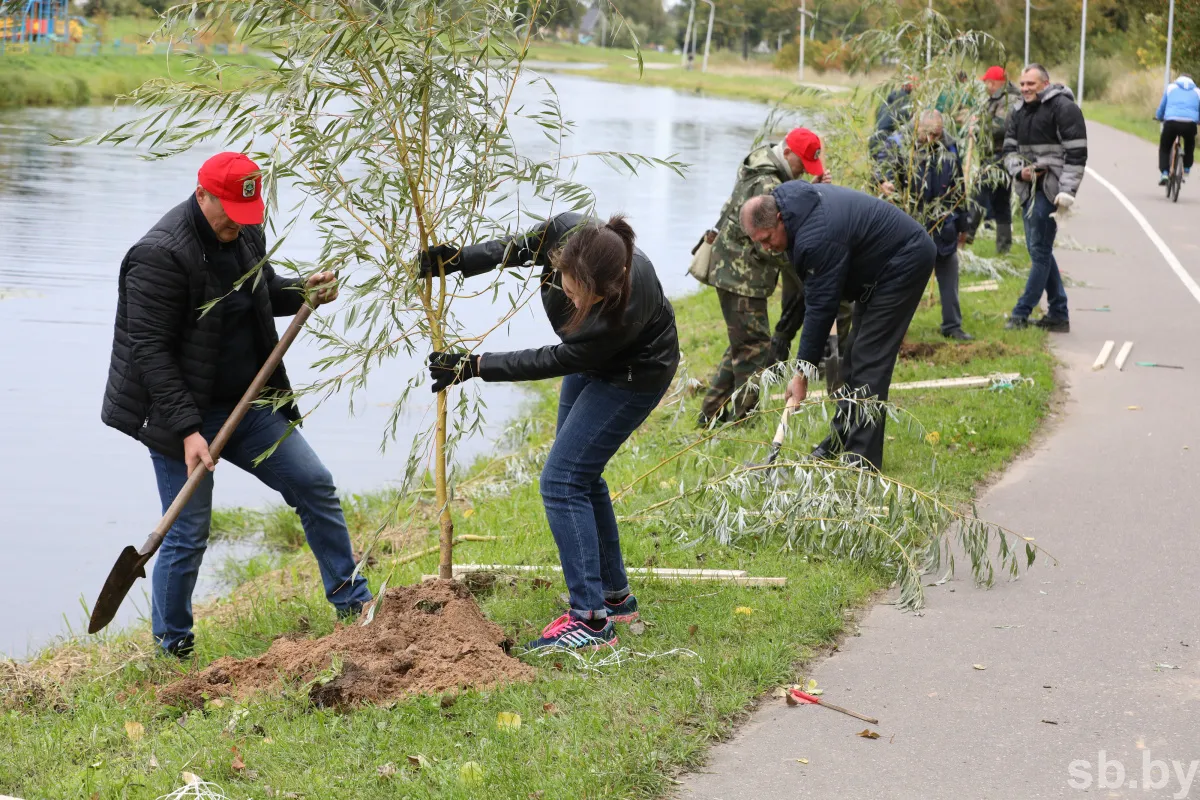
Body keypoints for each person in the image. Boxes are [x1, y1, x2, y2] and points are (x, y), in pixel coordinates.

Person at [101, 152, 372, 657]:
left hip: (248, 403)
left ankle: (354, 606)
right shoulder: (158, 256)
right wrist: (187, 429)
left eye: (246, 215)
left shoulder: (246, 231)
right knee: (187, 533)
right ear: (201, 193)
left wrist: (303, 290)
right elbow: (151, 354)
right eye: (227, 213)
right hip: (176, 413)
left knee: (314, 483)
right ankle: (173, 646)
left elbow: (260, 292)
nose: (236, 227)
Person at [420, 213, 678, 651]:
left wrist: (476, 366)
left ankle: (591, 622)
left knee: (563, 480)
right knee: (581, 474)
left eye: (583, 299)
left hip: (634, 374)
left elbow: (554, 359)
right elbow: (523, 245)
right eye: (570, 289)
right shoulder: (571, 232)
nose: (574, 302)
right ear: (564, 261)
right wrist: (461, 260)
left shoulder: (614, 317)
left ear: (608, 291)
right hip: (595, 359)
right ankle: (614, 597)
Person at [739, 181, 936, 470]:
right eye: (759, 243)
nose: (767, 248)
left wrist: (802, 373)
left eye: (767, 239)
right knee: (853, 360)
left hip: (904, 262)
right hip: (876, 272)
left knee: (870, 362)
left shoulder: (816, 236)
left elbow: (821, 308)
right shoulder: (791, 209)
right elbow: (810, 294)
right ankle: (839, 442)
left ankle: (861, 461)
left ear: (779, 219)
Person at [700, 127, 841, 425]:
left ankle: (709, 414)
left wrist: (808, 188)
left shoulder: (766, 168)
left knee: (743, 344)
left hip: (735, 272)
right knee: (755, 348)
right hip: (741, 276)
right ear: (787, 153)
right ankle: (744, 420)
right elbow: (769, 241)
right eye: (801, 166)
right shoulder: (767, 182)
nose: (803, 172)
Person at [1002, 63, 1088, 333]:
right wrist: (1020, 171)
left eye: (1031, 84)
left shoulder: (1064, 108)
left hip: (1050, 189)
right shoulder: (1016, 110)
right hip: (1028, 187)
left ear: (1046, 84)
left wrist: (1067, 192)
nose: (1025, 88)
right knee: (1039, 250)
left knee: (1039, 252)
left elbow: (1076, 154)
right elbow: (1008, 151)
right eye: (1023, 84)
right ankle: (1059, 313)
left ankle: (1021, 313)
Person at [877, 109, 973, 341]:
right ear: (916, 128)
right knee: (903, 279)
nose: (931, 139)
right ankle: (895, 329)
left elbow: (958, 189)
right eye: (926, 134)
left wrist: (963, 225)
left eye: (936, 134)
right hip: (908, 225)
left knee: (949, 275)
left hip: (943, 225)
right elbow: (881, 166)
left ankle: (952, 325)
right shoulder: (899, 144)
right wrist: (884, 181)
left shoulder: (949, 149)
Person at [971, 66, 1021, 254]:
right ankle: (1004, 248)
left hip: (1000, 156)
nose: (987, 86)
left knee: (978, 193)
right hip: (994, 155)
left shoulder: (1009, 99)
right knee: (1000, 202)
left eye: (989, 83)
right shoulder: (997, 98)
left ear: (997, 82)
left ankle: (966, 234)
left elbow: (1001, 126)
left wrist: (978, 126)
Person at [1155, 73, 1200, 185]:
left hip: (1171, 122)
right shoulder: (1198, 92)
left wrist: (1159, 117)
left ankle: (1165, 172)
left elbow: (1162, 106)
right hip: (1190, 123)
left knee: (1165, 147)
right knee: (1189, 145)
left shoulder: (1171, 87)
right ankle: (1186, 168)